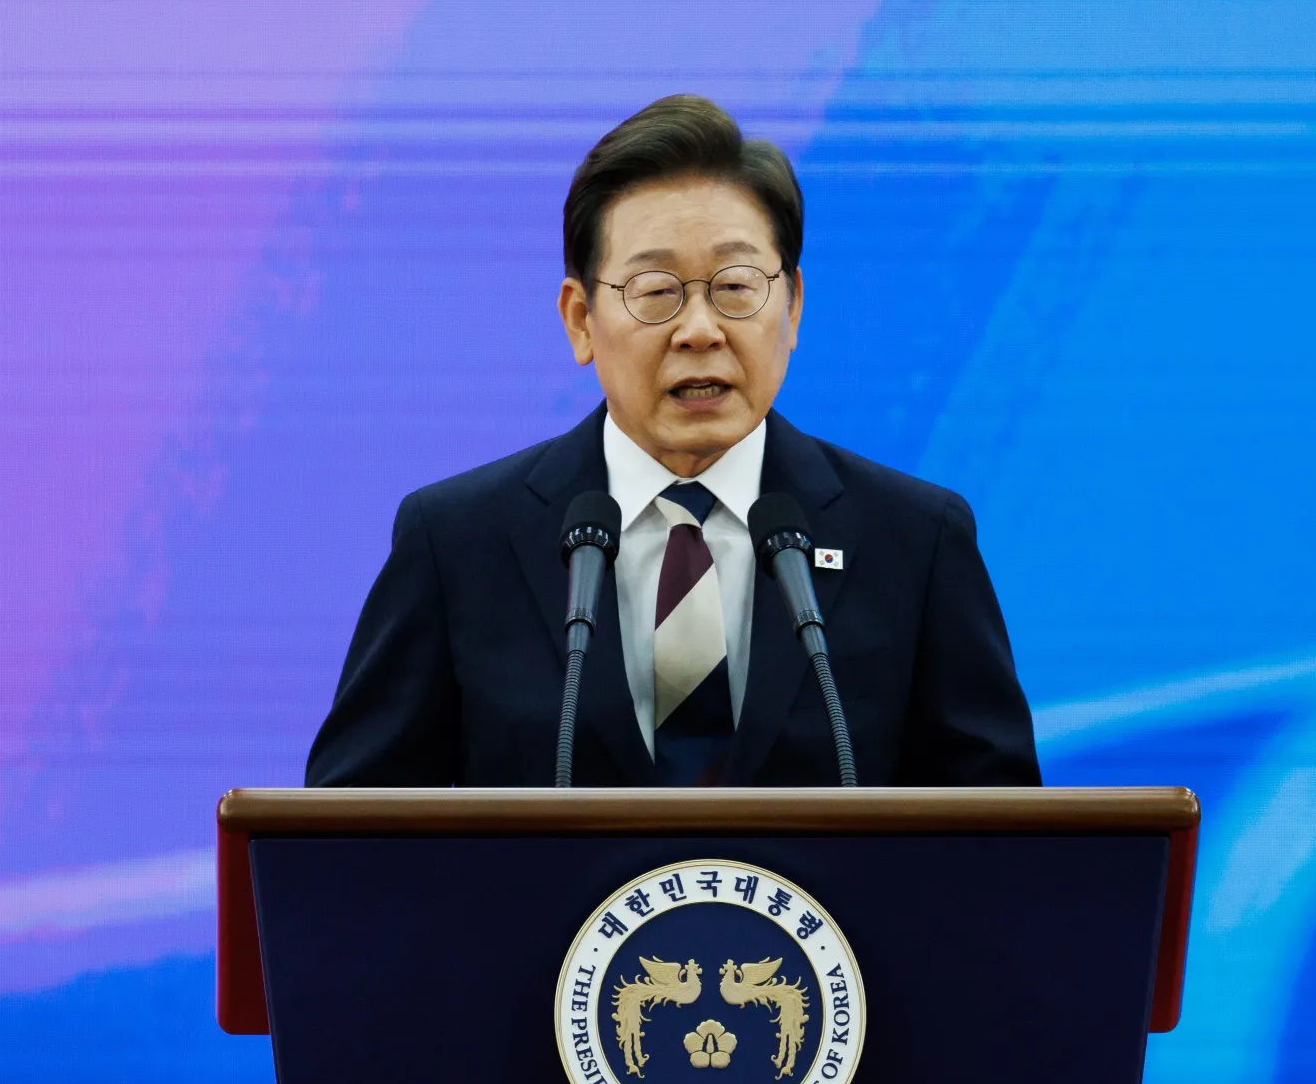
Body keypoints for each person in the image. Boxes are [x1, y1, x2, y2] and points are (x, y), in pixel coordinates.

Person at [305, 95, 1039, 787]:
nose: (700, 330)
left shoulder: (914, 541)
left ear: (792, 307)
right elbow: (348, 838)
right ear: (581, 320)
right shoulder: (458, 544)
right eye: (657, 292)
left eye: (736, 286)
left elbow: (1002, 842)